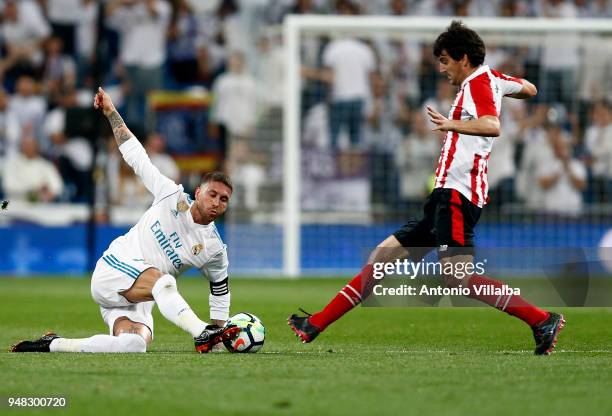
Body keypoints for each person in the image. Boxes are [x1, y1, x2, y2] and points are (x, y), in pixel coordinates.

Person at [288, 21, 565, 356]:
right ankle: (314, 324)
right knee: (382, 257)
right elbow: (531, 89)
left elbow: (493, 126)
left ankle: (540, 319)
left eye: (446, 60)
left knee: (459, 280)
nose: (441, 68)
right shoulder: (492, 79)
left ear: (464, 58)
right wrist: (505, 86)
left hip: (457, 195)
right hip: (444, 196)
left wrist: (453, 123)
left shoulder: (479, 83)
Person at [11, 87, 240, 354]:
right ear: (198, 193)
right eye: (213, 194)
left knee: (134, 346)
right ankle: (200, 331)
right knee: (165, 282)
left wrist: (220, 338)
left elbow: (220, 293)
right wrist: (111, 112)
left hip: (139, 297)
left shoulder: (213, 248)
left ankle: (54, 344)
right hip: (113, 270)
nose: (217, 202)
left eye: (224, 200)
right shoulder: (170, 194)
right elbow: (136, 155)